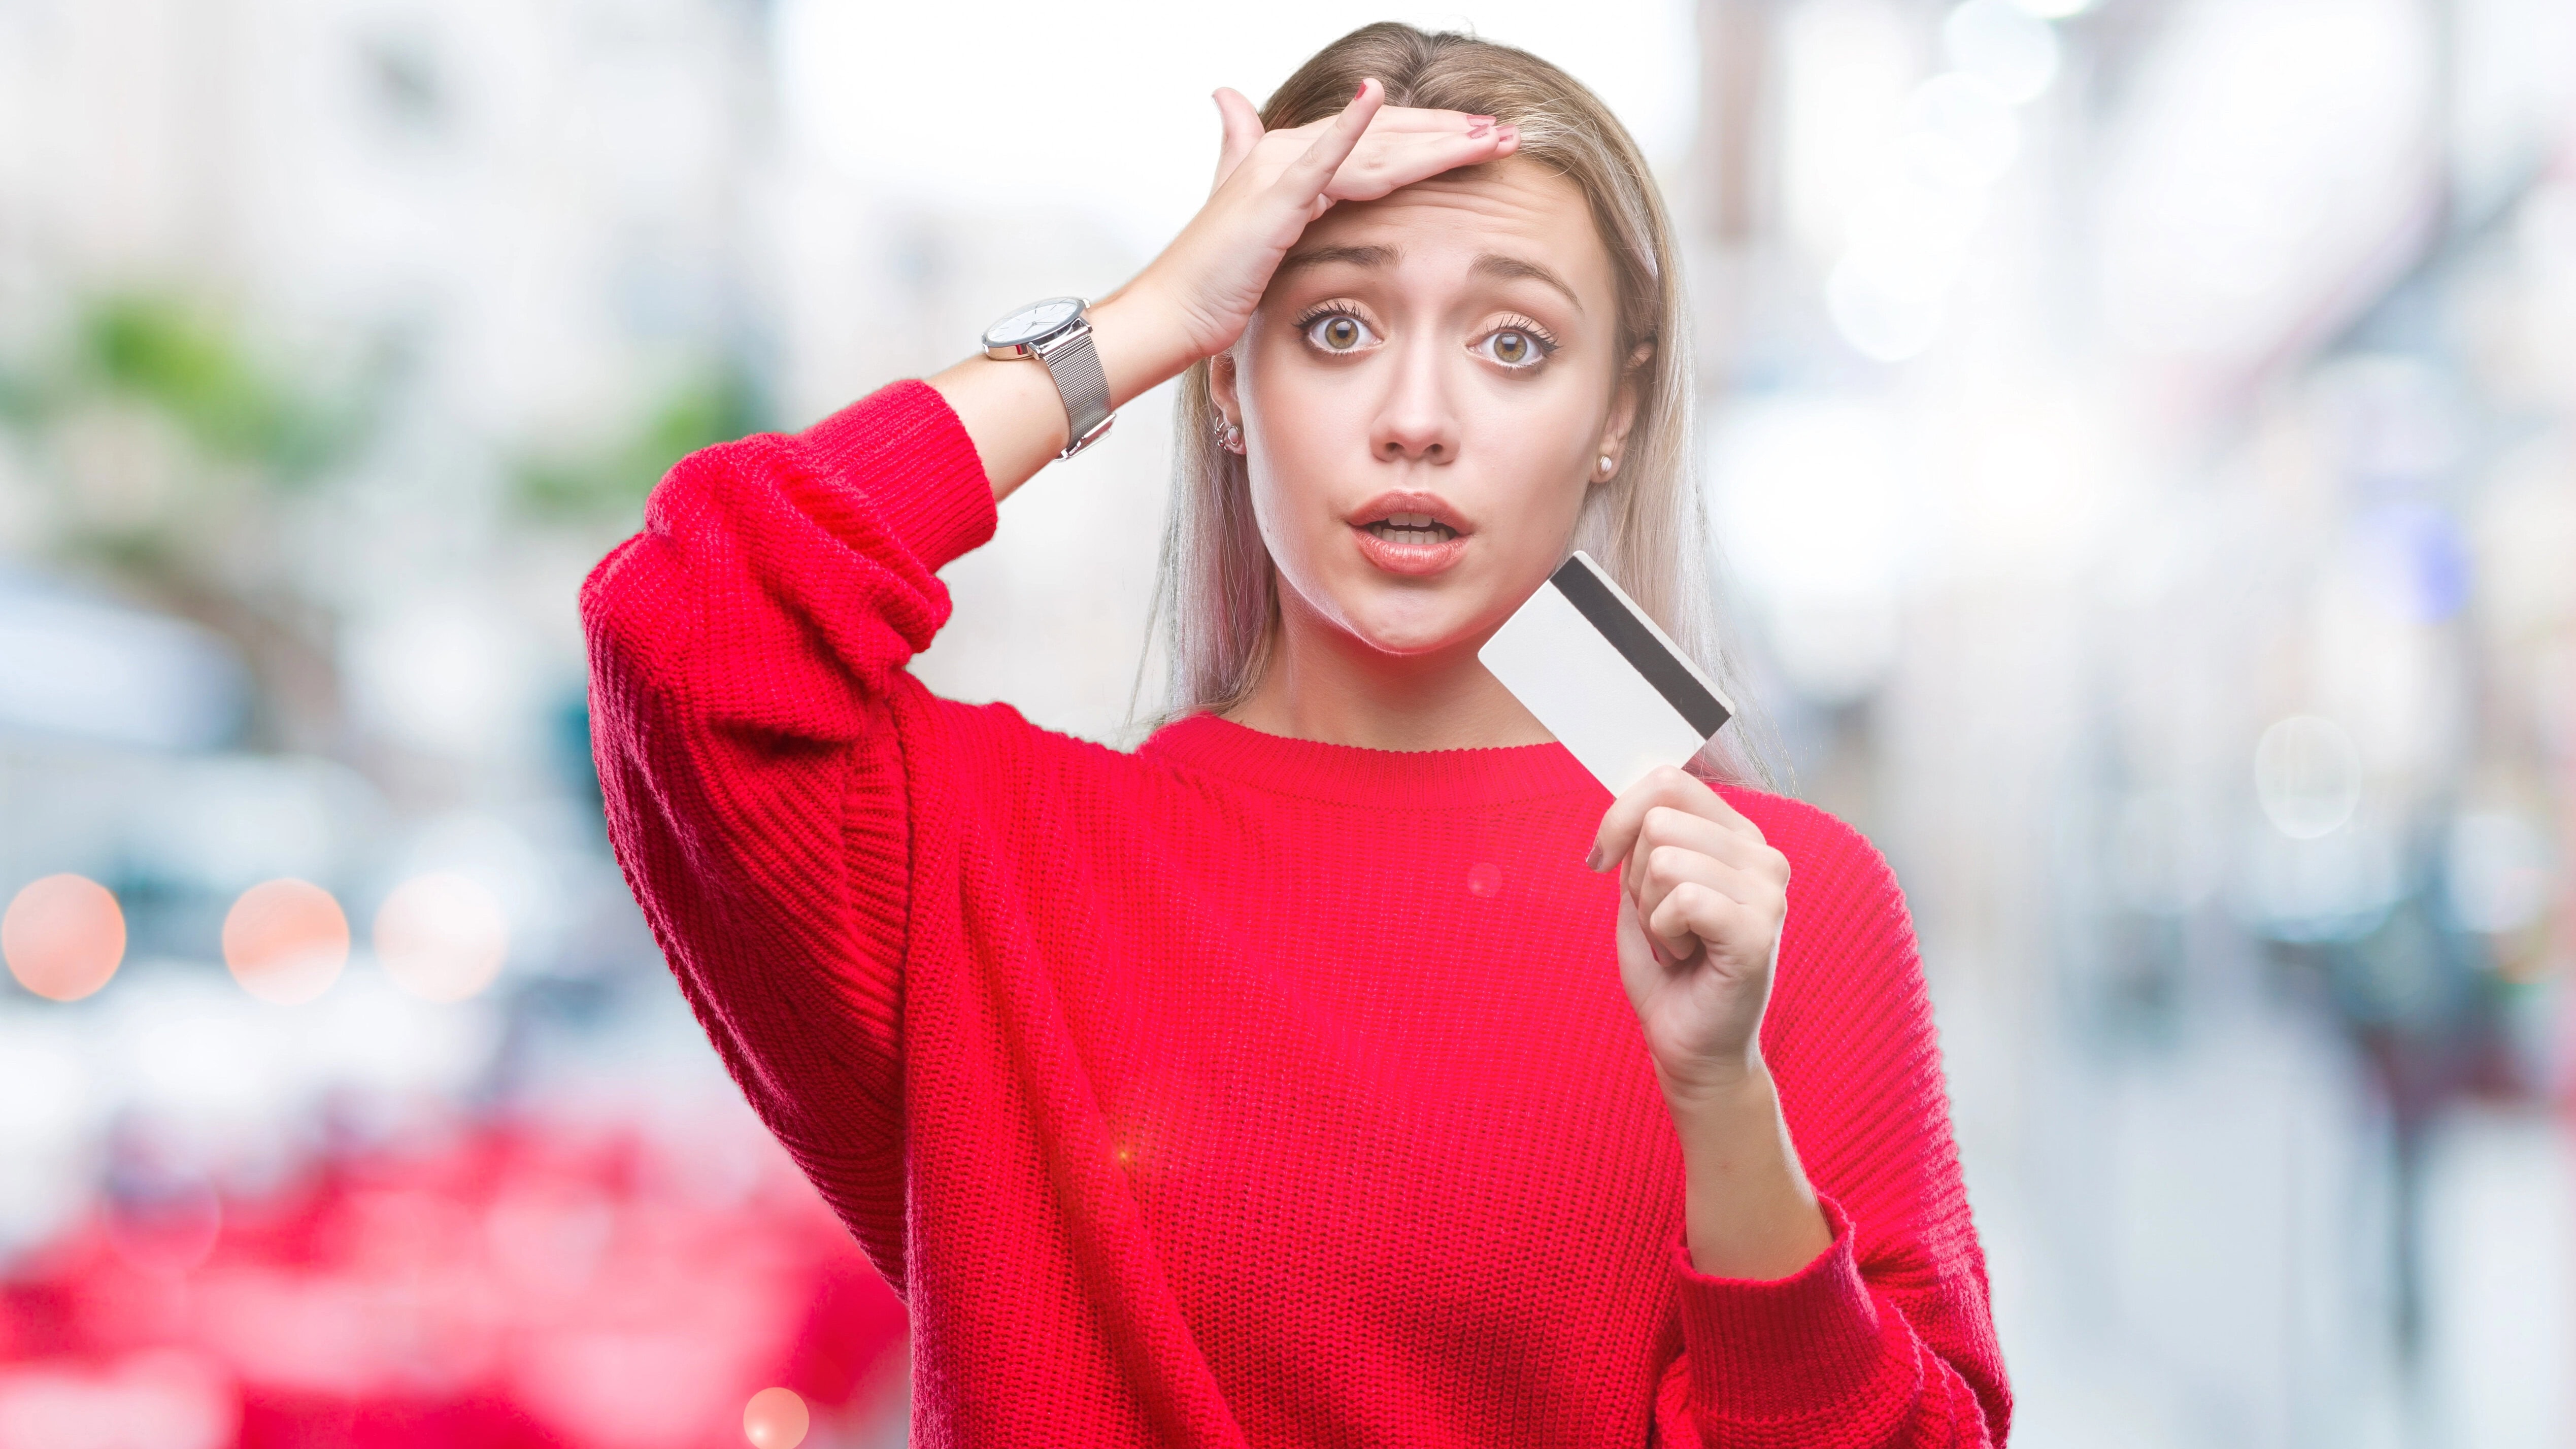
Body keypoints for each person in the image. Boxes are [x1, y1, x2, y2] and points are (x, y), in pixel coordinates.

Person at [582, 21, 2009, 1447]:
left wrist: (1724, 1101)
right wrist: (1144, 319)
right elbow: (684, 625)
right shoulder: (994, 863)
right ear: (1228, 379)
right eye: (1336, 328)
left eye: (1514, 345)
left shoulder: (1779, 913)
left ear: (1616, 413)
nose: (1416, 419)